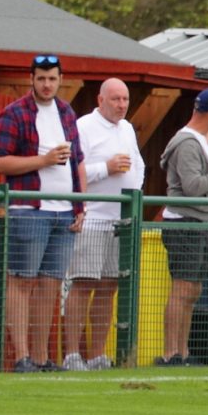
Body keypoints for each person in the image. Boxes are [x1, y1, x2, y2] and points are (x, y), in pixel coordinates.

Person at [0, 53, 87, 372]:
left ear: (61, 80)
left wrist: (80, 204)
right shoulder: (14, 113)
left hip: (64, 212)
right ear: (31, 79)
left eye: (52, 78)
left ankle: (42, 359)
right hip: (28, 209)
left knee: (50, 286)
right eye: (41, 78)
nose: (47, 84)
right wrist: (42, 161)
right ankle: (21, 358)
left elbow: (78, 161)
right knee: (21, 282)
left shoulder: (67, 112)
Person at [157, 89, 208, 366]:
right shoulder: (187, 144)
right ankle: (171, 354)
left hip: (199, 222)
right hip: (185, 223)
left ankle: (183, 352)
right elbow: (192, 187)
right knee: (182, 289)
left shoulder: (199, 140)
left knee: (192, 290)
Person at [69, 75, 142, 370]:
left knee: (109, 286)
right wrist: (106, 168)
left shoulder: (128, 128)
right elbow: (74, 170)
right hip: (92, 218)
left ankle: (97, 355)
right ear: (100, 100)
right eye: (116, 99)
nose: (122, 105)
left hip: (120, 221)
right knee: (83, 283)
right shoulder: (83, 127)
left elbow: (138, 165)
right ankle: (72, 355)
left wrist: (135, 191)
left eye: (125, 99)